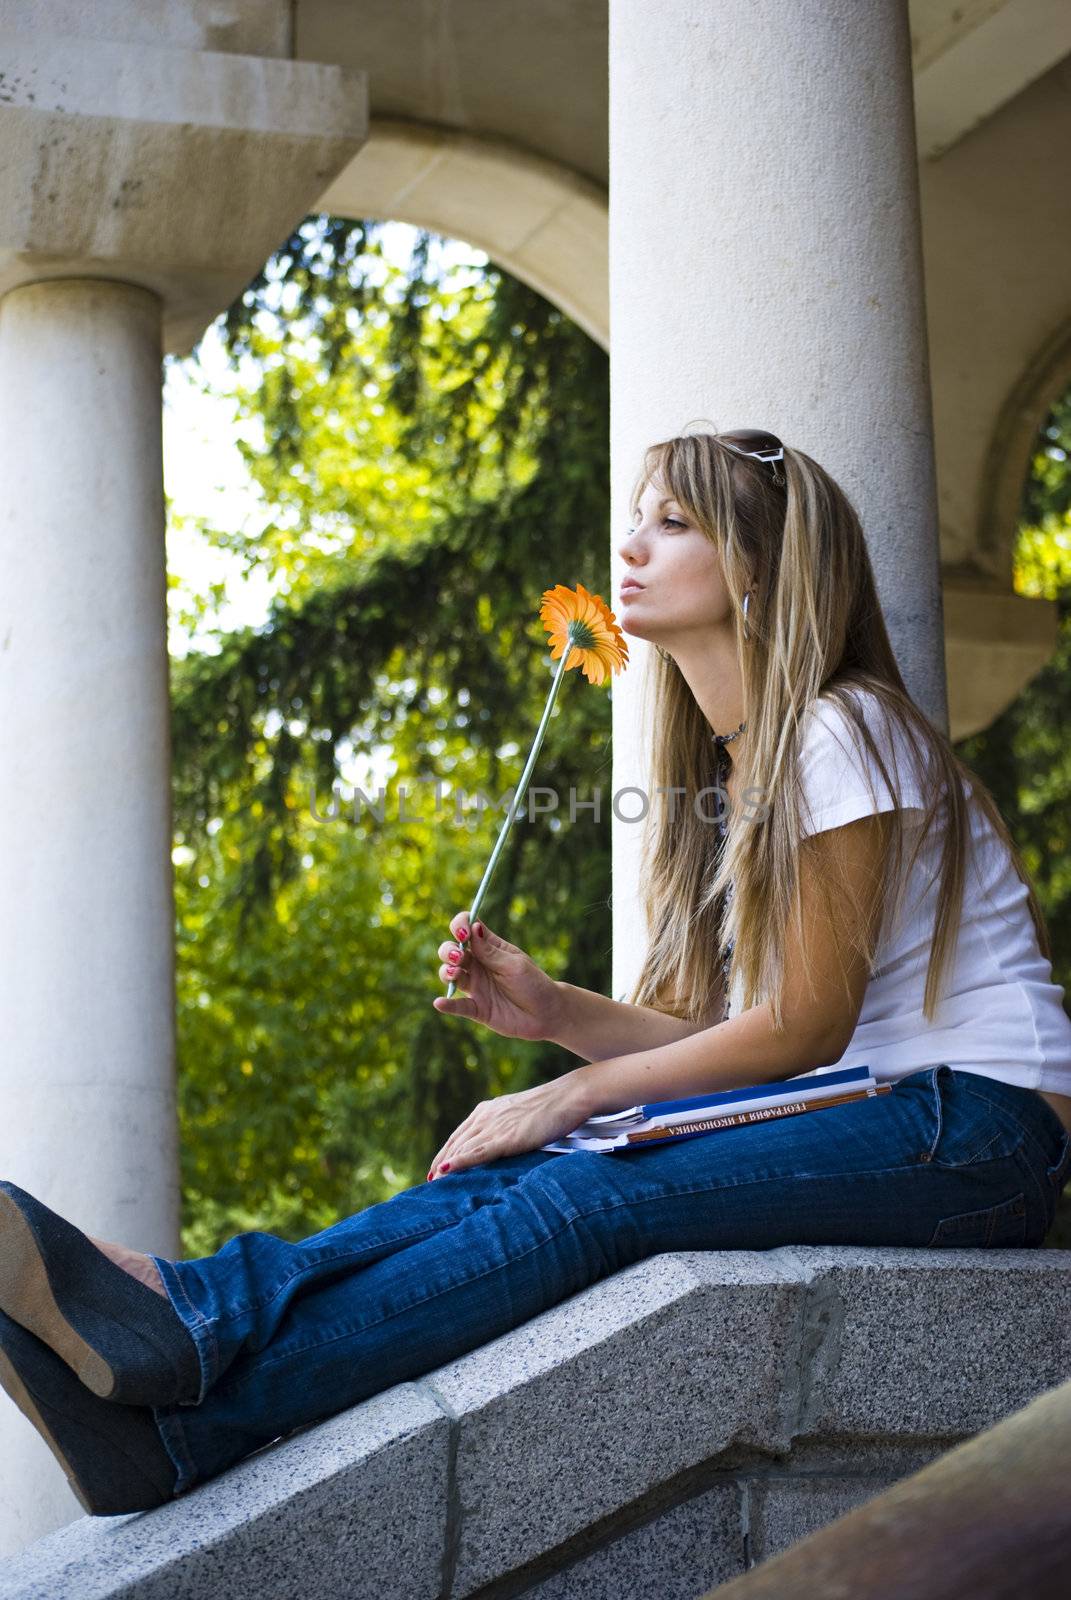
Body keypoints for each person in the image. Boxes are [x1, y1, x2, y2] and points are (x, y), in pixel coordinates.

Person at [2, 426, 1070, 1518]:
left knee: (588, 1186)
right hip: (880, 1112)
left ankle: (195, 1370)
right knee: (522, 1171)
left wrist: (569, 1091)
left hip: (981, 1130)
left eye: (673, 522)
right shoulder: (735, 771)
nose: (633, 547)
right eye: (636, 519)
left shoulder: (843, 727)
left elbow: (803, 1029)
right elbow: (732, 1043)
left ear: (756, 563)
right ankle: (190, 1354)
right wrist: (557, 1014)